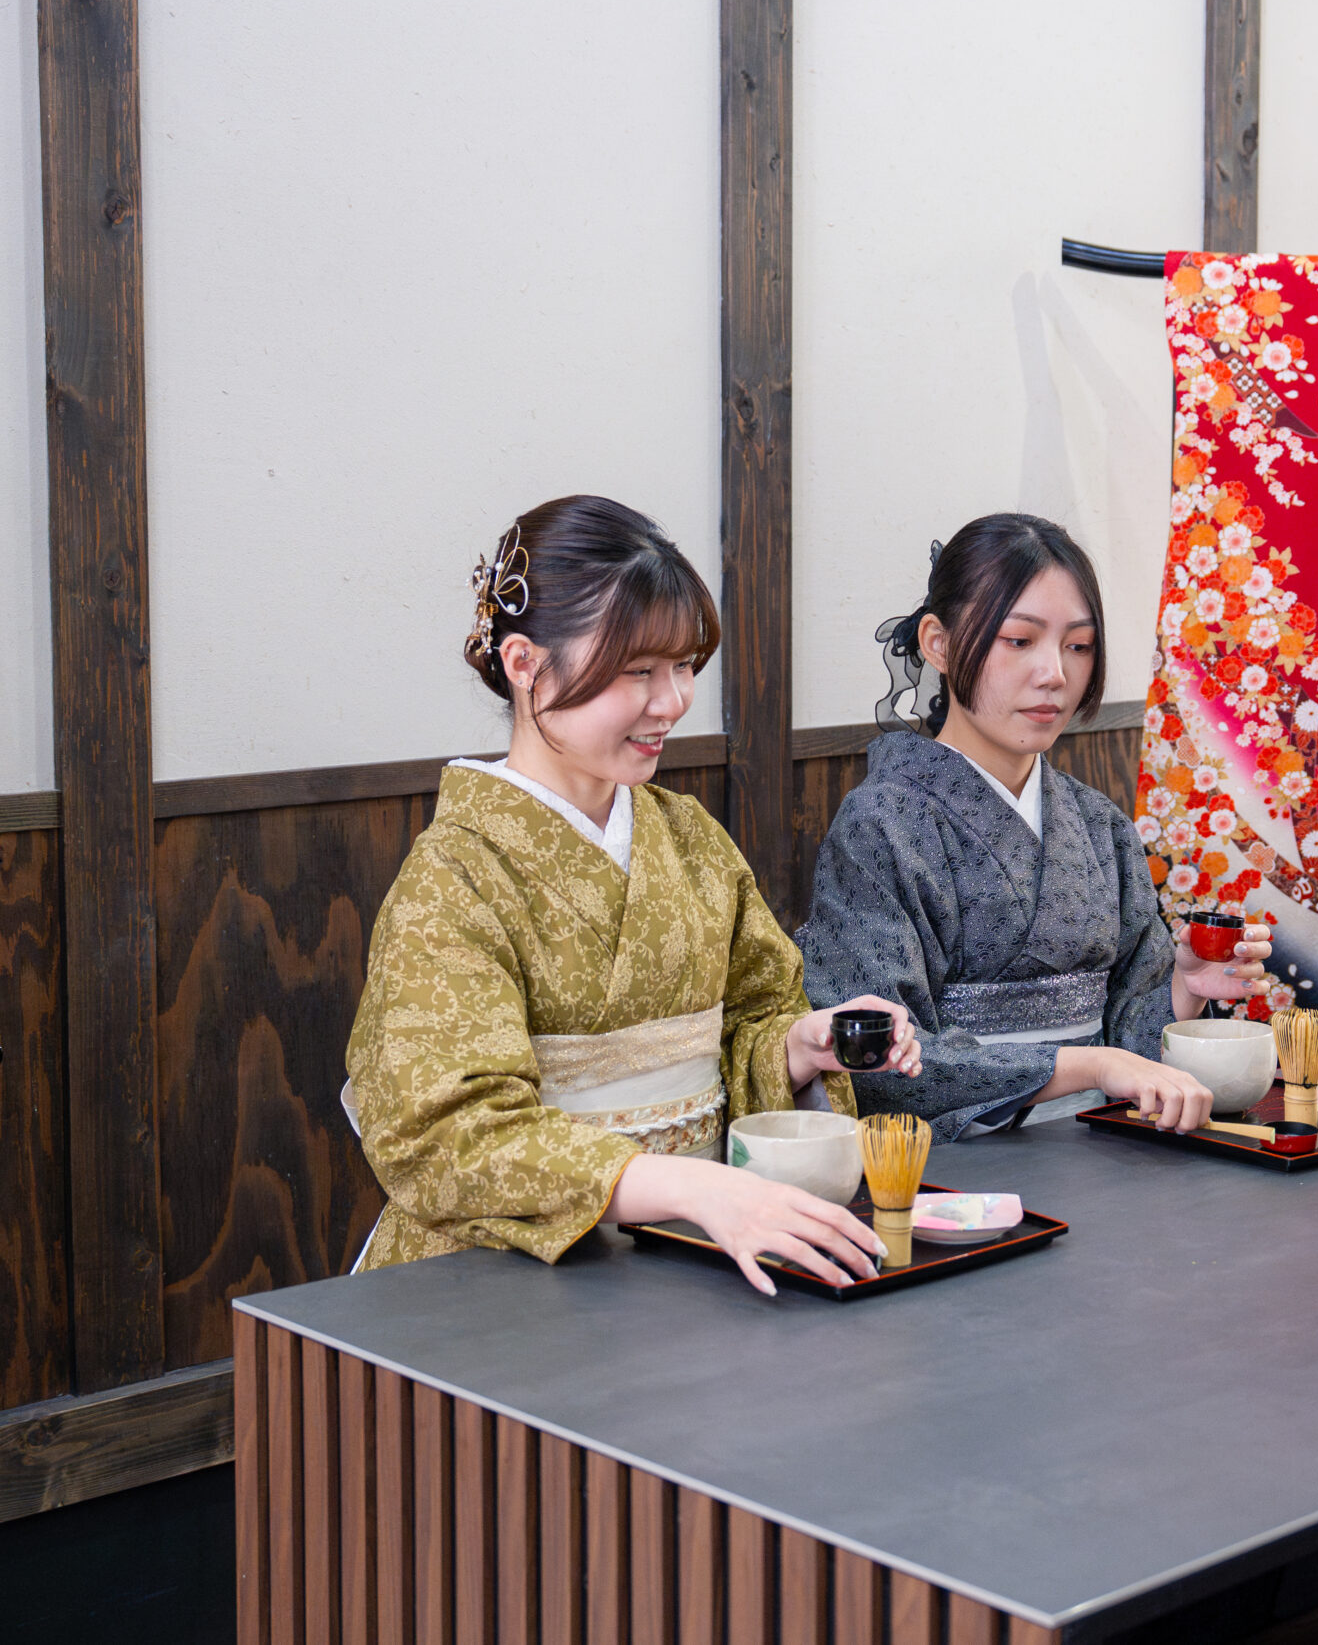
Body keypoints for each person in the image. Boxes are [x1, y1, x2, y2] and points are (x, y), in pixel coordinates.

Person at [345, 495, 922, 1296]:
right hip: (501, 1279)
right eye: (638, 671)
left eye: (683, 666)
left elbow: (751, 1019)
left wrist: (799, 1047)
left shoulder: (688, 838)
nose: (674, 700)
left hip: (694, 1253)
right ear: (524, 662)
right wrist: (687, 1186)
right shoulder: (455, 876)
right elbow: (448, 1135)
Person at [797, 513, 1271, 1140]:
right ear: (938, 644)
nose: (1055, 674)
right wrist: (1087, 1065)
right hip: (959, 1168)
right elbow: (876, 1062)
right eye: (1019, 640)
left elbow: (1133, 1043)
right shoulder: (879, 827)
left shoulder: (1098, 824)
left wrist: (1184, 989)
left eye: (1078, 646)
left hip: (1108, 1144)